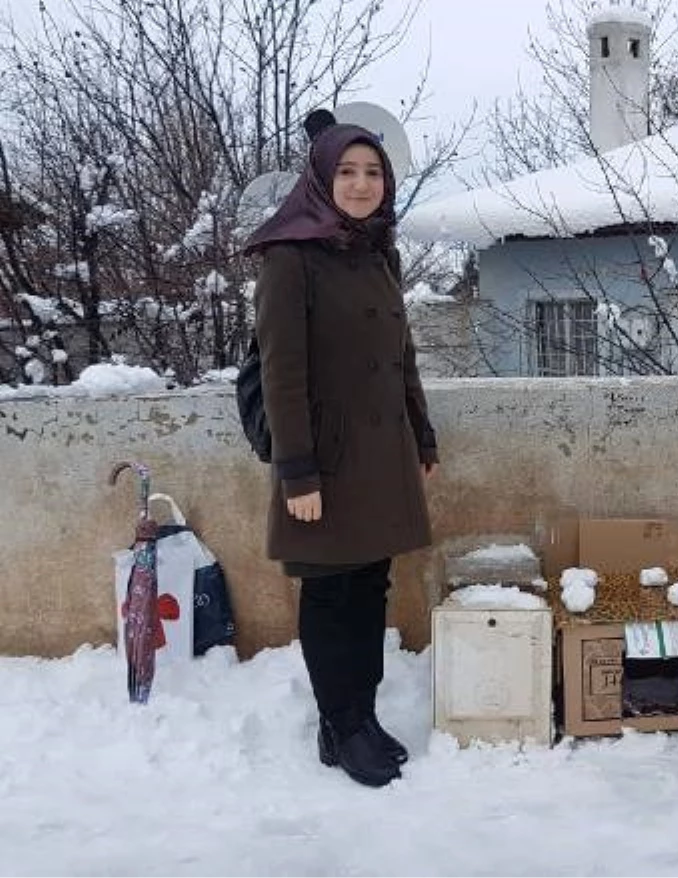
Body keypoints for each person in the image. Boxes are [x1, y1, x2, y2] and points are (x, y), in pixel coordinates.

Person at [244, 112, 439, 788]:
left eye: (373, 172)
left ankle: (361, 715)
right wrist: (297, 471)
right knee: (330, 592)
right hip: (323, 458)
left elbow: (402, 354)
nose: (361, 184)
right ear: (322, 178)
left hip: (382, 453)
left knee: (370, 587)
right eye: (347, 172)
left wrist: (422, 431)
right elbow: (282, 374)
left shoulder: (377, 249)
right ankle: (339, 722)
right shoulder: (290, 256)